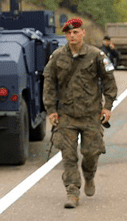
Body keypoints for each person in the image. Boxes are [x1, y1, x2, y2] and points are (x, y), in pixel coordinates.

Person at [43, 17, 118, 209]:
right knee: (68, 156)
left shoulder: (96, 55)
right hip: (66, 116)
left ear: (83, 33)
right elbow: (49, 83)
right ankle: (72, 191)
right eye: (68, 33)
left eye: (75, 32)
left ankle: (89, 175)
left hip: (91, 115)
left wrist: (107, 106)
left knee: (91, 153)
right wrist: (51, 110)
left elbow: (109, 81)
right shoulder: (57, 57)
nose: (72, 36)